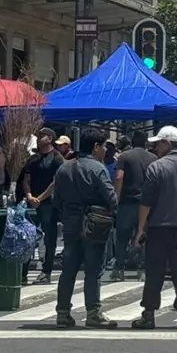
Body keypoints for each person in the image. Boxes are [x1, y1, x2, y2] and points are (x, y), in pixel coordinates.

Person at [132, 126, 177, 330]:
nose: (155, 147)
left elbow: (146, 201)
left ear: (166, 143)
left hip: (158, 226)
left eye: (157, 143)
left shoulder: (156, 167)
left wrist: (140, 228)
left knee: (155, 271)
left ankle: (149, 314)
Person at [51, 127, 119, 329]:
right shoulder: (98, 169)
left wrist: (67, 213)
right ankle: (93, 313)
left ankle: (63, 312)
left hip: (71, 223)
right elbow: (111, 198)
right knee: (93, 270)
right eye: (104, 146)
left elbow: (56, 199)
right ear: (96, 147)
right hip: (95, 224)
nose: (106, 150)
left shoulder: (64, 168)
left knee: (69, 270)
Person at [111, 130, 156, 281]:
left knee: (122, 237)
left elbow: (119, 177)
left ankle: (119, 269)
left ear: (132, 142)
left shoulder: (125, 156)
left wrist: (116, 197)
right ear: (146, 143)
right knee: (143, 236)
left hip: (127, 202)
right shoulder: (153, 158)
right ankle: (142, 270)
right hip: (146, 204)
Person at [21, 128, 64, 284]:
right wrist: (29, 196)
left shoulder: (57, 159)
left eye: (42, 136)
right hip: (32, 203)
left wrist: (39, 198)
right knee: (28, 236)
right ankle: (23, 272)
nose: (39, 139)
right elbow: (26, 179)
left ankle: (46, 271)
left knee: (49, 238)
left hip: (48, 203)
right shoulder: (34, 159)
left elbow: (56, 182)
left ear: (51, 138)